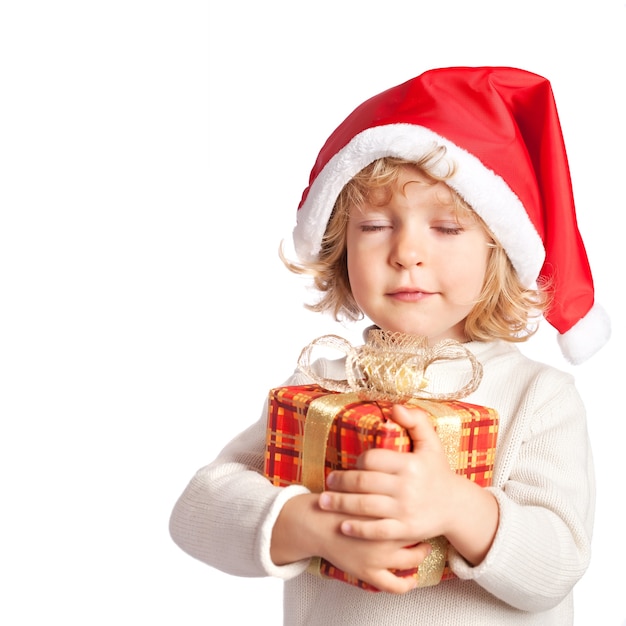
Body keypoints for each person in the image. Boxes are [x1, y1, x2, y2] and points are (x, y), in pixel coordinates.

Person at [169, 67, 611, 624]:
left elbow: (557, 567)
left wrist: (454, 507)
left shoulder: (538, 397)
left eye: (447, 229)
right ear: (340, 245)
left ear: (498, 250)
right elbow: (196, 511)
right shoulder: (321, 383)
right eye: (375, 225)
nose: (406, 252)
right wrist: (310, 527)